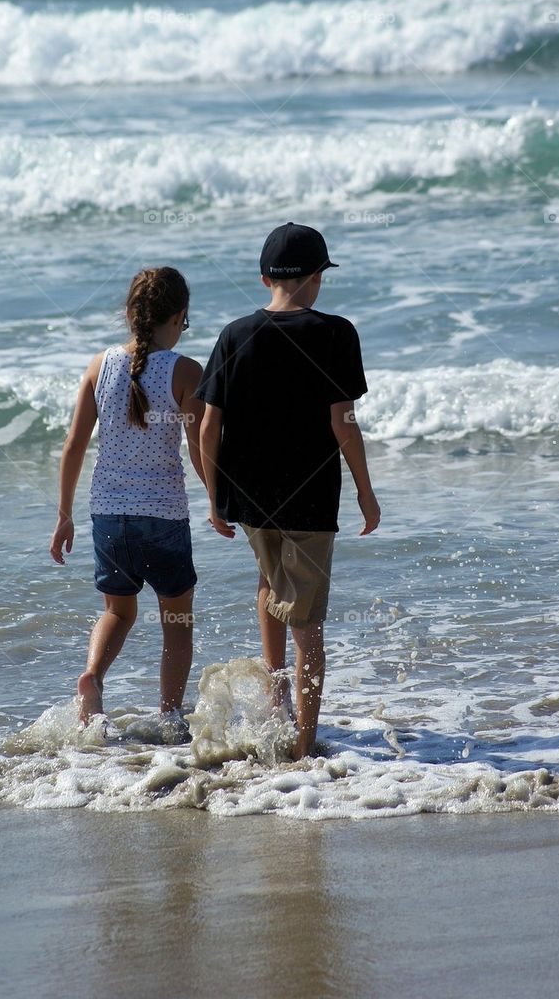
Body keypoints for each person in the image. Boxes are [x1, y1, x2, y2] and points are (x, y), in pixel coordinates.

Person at [196, 223, 381, 759]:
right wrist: (366, 493)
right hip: (309, 500)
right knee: (309, 624)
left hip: (250, 498)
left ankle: (277, 698)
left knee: (269, 578)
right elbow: (343, 423)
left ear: (264, 278)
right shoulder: (335, 333)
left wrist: (213, 495)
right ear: (316, 278)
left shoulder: (235, 334)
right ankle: (302, 744)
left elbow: (209, 427)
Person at [49, 267, 205, 729]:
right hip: (164, 517)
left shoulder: (100, 365)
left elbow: (74, 445)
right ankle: (170, 715)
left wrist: (64, 515)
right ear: (178, 317)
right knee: (176, 622)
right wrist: (219, 501)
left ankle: (93, 676)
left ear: (131, 314)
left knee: (118, 611)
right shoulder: (185, 371)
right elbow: (199, 448)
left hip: (108, 517)